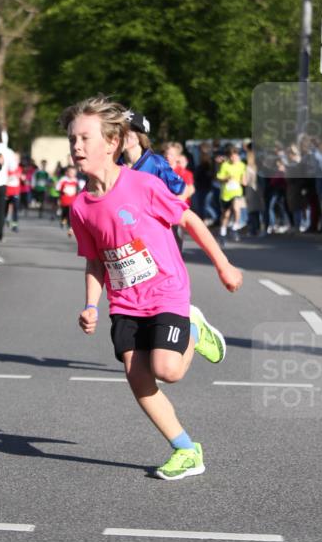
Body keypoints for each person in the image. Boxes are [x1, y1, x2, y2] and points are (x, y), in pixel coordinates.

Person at [62, 95, 243, 481]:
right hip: (126, 302)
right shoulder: (80, 207)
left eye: (84, 138)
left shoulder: (142, 185)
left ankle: (194, 326)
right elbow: (95, 260)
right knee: (138, 377)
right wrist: (91, 305)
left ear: (111, 143)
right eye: (72, 139)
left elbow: (189, 219)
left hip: (166, 291)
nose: (76, 147)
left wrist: (223, 265)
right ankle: (186, 450)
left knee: (168, 370)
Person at [217, 144, 247, 243]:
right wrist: (226, 178)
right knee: (226, 214)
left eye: (236, 156)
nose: (234, 158)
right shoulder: (225, 165)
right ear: (229, 156)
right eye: (232, 156)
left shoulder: (242, 165)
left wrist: (244, 181)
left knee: (236, 208)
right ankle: (223, 231)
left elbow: (244, 179)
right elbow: (219, 177)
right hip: (226, 193)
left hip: (237, 192)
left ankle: (234, 227)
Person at [56, 163, 80, 236]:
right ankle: (63, 220)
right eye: (70, 172)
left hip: (73, 201)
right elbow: (58, 188)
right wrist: (60, 196)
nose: (72, 174)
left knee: (71, 215)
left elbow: (78, 190)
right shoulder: (63, 180)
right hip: (64, 200)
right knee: (64, 212)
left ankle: (70, 228)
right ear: (67, 172)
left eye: (74, 173)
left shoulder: (76, 181)